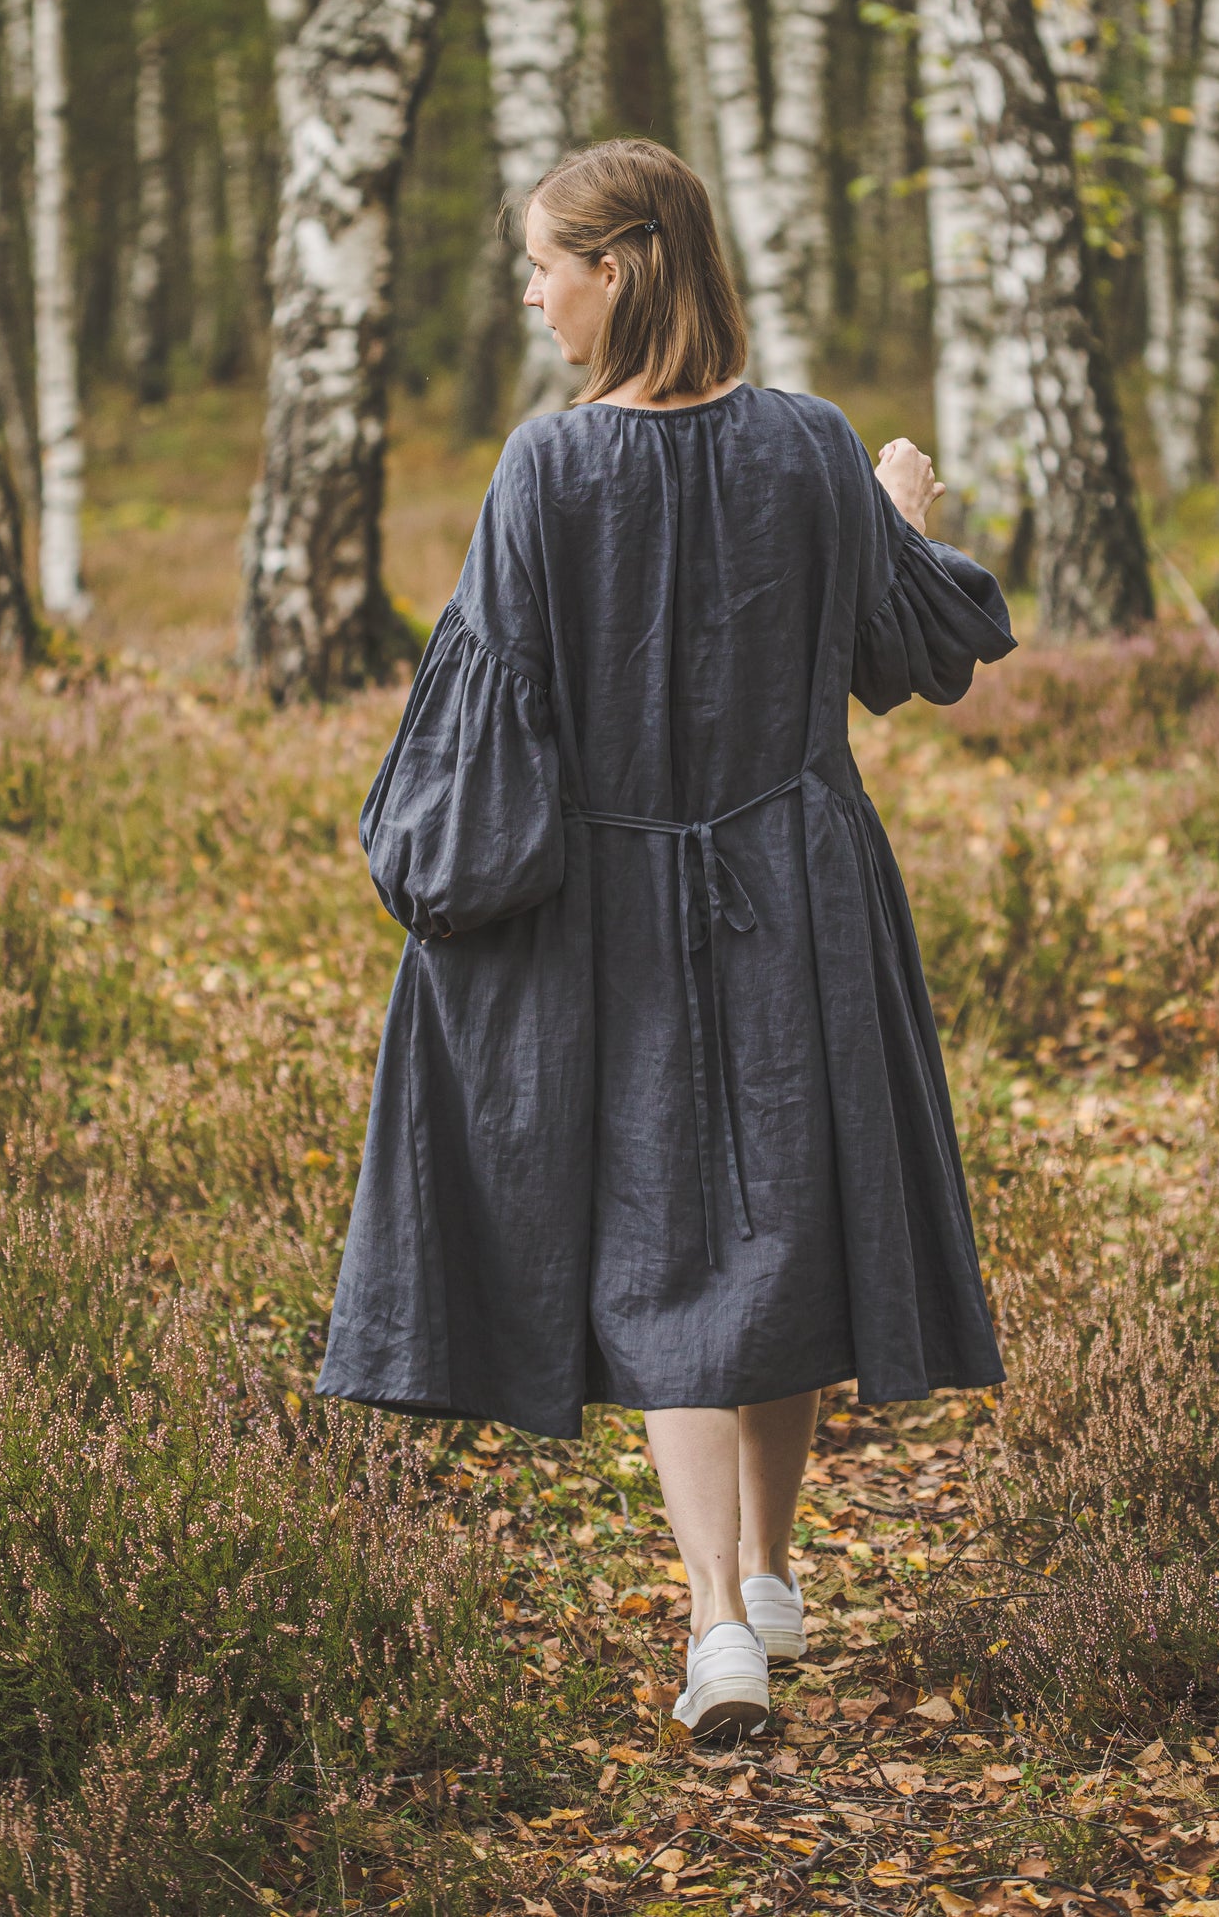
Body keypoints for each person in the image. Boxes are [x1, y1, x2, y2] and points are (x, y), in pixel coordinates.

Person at [316, 138, 1016, 1740]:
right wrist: (889, 512)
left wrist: (443, 889)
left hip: (618, 912)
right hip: (803, 878)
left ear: (621, 265)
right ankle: (758, 1578)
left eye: (545, 266)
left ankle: (725, 1621)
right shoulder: (809, 444)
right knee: (776, 1219)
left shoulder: (545, 472)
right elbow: (909, 650)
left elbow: (486, 723)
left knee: (670, 1247)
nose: (531, 294)